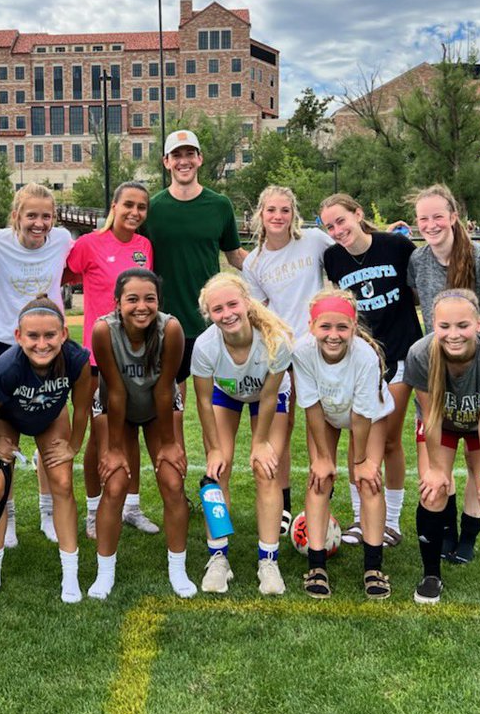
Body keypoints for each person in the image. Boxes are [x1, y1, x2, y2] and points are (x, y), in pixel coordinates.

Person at [407, 183, 480, 564]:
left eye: (438, 216)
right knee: (439, 460)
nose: (431, 224)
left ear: (453, 217)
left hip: (479, 369)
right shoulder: (418, 261)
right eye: (424, 218)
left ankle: (468, 536)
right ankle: (446, 532)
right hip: (437, 372)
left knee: (477, 460)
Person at [404, 289, 480, 614]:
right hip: (441, 425)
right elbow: (432, 418)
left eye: (463, 325)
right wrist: (438, 470)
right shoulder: (420, 354)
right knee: (432, 492)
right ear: (433, 325)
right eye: (444, 326)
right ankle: (430, 577)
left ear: (479, 324)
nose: (453, 334)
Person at [320, 193, 421, 549]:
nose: (337, 230)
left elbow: (417, 293)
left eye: (341, 221)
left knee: (390, 437)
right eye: (329, 226)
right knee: (357, 437)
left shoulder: (396, 246)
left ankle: (391, 520)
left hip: (400, 352)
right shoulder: (332, 258)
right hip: (359, 360)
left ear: (358, 214)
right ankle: (362, 519)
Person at [0, 297, 91, 604]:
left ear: (64, 334)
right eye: (33, 336)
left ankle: (70, 574)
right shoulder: (6, 368)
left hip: (50, 416)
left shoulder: (77, 359)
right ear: (18, 337)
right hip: (7, 418)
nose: (42, 344)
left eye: (50, 335)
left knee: (63, 483)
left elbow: (81, 407)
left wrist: (74, 445)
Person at [89, 268, 194, 599]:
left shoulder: (171, 328)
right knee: (116, 482)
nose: (141, 306)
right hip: (113, 405)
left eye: (150, 299)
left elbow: (165, 389)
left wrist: (168, 444)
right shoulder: (104, 330)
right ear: (117, 302)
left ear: (159, 302)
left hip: (157, 405)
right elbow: (116, 392)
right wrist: (115, 448)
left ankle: (178, 568)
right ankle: (105, 573)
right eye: (132, 299)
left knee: (173, 481)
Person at [140, 129, 245, 459]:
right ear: (166, 161)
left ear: (199, 158)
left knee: (217, 410)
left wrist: (279, 270)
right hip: (165, 325)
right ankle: (178, 486)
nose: (183, 161)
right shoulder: (151, 208)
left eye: (190, 154)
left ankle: (216, 482)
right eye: (177, 155)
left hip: (212, 325)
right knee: (174, 412)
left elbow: (236, 256)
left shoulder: (219, 205)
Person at [65, 181, 159, 540]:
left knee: (131, 430)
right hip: (97, 356)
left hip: (136, 353)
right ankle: (93, 510)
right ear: (114, 206)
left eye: (142, 208)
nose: (135, 213)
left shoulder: (144, 246)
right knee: (97, 433)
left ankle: (132, 507)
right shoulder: (88, 244)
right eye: (128, 205)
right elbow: (63, 274)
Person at [0, 183, 73, 547]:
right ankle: (9, 519)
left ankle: (48, 514)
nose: (39, 223)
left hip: (49, 347)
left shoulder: (64, 239)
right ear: (16, 216)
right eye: (31, 215)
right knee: (5, 441)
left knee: (48, 435)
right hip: (6, 343)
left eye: (46, 216)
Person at [191, 272, 293, 596]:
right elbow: (204, 401)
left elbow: (267, 396)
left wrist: (260, 442)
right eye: (217, 309)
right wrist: (213, 450)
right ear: (209, 314)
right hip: (226, 394)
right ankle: (218, 556)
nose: (227, 313)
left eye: (232, 304)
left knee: (267, 471)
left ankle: (268, 561)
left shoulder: (276, 340)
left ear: (246, 303)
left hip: (268, 397)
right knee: (216, 473)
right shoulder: (205, 347)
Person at [241, 185, 334, 535]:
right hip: (280, 352)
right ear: (260, 215)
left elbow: (342, 261)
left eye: (285, 210)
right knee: (283, 423)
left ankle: (322, 492)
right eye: (271, 210)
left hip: (318, 348)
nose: (278, 216)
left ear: (294, 213)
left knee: (320, 422)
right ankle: (284, 503)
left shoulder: (313, 241)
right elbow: (258, 310)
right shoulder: (255, 262)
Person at [291, 289, 394, 599]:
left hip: (368, 417)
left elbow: (362, 415)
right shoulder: (302, 352)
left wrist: (361, 460)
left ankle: (374, 567)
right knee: (319, 478)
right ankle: (317, 565)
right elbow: (311, 407)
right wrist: (323, 458)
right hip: (326, 410)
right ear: (311, 326)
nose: (333, 335)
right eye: (325, 327)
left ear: (353, 327)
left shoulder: (365, 355)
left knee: (369, 481)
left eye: (342, 327)